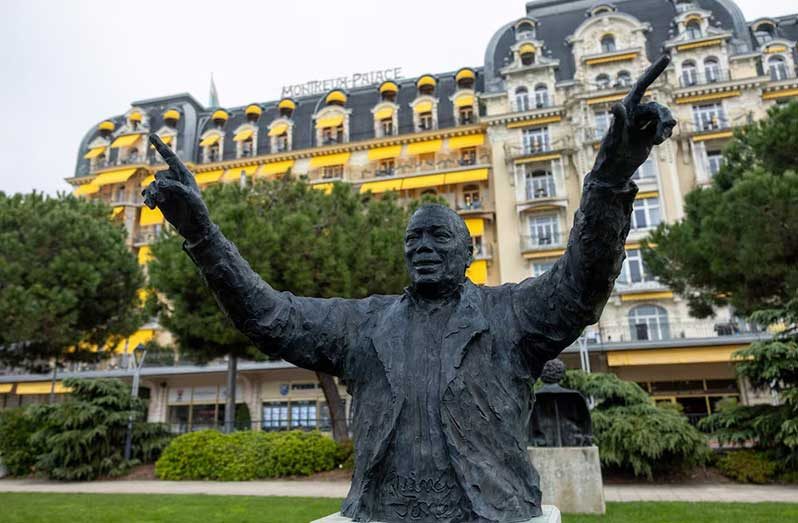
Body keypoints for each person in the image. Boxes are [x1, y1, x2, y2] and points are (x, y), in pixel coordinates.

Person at [143, 57, 676, 523]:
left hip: (494, 512)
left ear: (468, 255)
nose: (422, 246)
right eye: (413, 238)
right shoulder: (365, 324)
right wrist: (201, 234)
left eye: (438, 237)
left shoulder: (509, 313)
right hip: (378, 511)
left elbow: (581, 283)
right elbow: (268, 315)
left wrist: (609, 178)